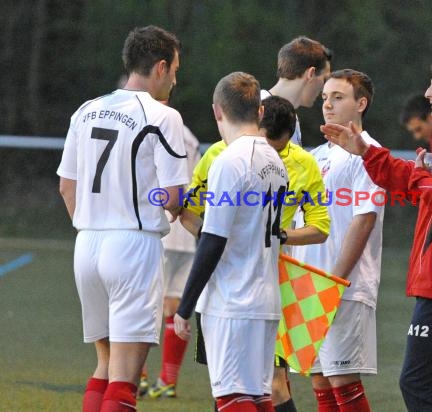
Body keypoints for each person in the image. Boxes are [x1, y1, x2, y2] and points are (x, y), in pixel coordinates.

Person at [323, 52, 432, 411]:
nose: (428, 92)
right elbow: (426, 189)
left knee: (417, 384)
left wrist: (422, 176)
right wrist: (370, 154)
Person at [57, 25, 188, 412]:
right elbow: (174, 197)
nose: (176, 80)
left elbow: (67, 187)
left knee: (104, 364)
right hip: (133, 246)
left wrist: (94, 225)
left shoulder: (86, 110)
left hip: (87, 244)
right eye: (176, 69)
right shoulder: (163, 116)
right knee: (125, 377)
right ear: (161, 67)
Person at [182, 95, 331, 412]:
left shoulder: (254, 160)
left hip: (251, 288)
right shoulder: (226, 156)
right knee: (252, 389)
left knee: (241, 389)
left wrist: (279, 236)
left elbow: (320, 226)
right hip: (251, 286)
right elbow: (191, 212)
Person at [173, 72, 289, 412]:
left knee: (232, 398)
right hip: (264, 297)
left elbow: (214, 239)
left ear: (217, 111)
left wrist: (185, 305)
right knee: (258, 396)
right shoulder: (274, 161)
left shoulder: (229, 161)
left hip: (234, 299)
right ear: (261, 112)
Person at [292, 69, 384, 412]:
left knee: (343, 381)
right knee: (321, 381)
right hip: (309, 283)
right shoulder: (318, 156)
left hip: (343, 284)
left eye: (338, 97)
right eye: (325, 97)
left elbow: (364, 218)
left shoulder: (369, 152)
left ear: (361, 104)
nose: (327, 104)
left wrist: (335, 279)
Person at [138, 109, 202, 399]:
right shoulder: (190, 138)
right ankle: (167, 380)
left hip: (162, 224)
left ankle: (135, 376)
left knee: (143, 303)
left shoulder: (153, 132)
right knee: (174, 305)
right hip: (187, 230)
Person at [262, 36, 332, 146]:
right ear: (311, 73)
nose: (325, 87)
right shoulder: (255, 108)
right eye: (325, 79)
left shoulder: (291, 117)